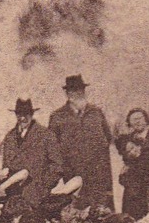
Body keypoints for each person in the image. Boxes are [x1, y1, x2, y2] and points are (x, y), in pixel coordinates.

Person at [49, 75, 114, 210]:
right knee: (77, 213)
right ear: (67, 94)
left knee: (102, 212)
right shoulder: (57, 117)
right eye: (73, 90)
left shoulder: (96, 112)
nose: (78, 93)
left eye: (80, 90)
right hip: (73, 174)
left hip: (98, 174)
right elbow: (52, 148)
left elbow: (108, 138)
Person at [1, 99, 63, 208]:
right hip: (13, 197)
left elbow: (56, 166)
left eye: (26, 114)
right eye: (19, 114)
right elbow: (6, 165)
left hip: (38, 195)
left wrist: (43, 187)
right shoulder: (10, 137)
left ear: (32, 114)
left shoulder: (46, 135)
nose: (22, 118)